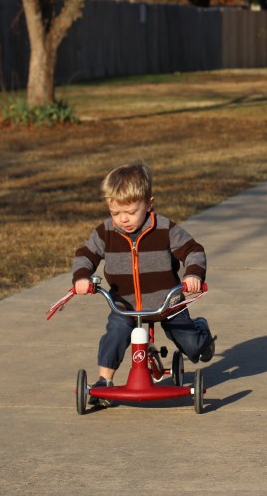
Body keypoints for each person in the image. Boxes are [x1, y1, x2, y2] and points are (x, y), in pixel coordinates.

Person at [71, 163, 216, 404]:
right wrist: (82, 278)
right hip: (125, 304)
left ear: (149, 204)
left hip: (167, 302)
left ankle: (201, 335)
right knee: (115, 334)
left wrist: (193, 275)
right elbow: (86, 255)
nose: (123, 219)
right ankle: (103, 381)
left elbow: (193, 251)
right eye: (115, 213)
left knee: (190, 344)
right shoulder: (105, 232)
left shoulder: (164, 229)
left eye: (130, 212)